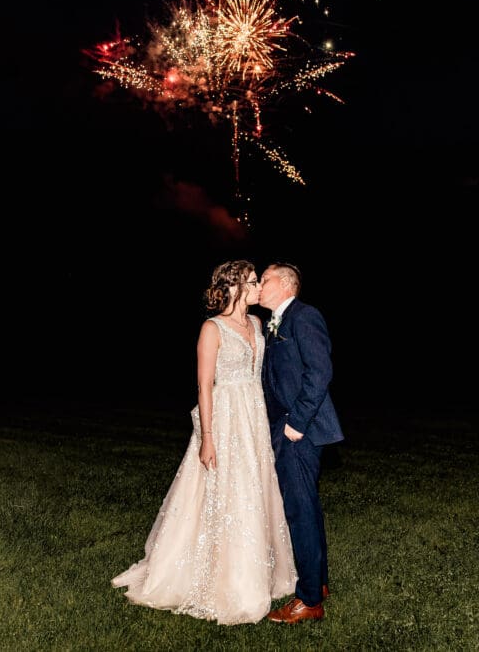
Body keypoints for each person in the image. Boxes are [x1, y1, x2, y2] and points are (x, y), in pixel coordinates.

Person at [111, 260, 297, 625]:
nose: (259, 285)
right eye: (254, 280)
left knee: (255, 490)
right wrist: (207, 438)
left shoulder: (258, 324)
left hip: (253, 417)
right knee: (228, 492)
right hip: (225, 420)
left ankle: (259, 572)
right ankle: (227, 581)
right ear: (236, 287)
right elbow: (204, 386)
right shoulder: (211, 329)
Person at [259, 262, 344, 624]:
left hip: (299, 430)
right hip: (286, 426)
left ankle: (308, 600)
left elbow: (320, 371)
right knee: (306, 507)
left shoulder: (304, 316)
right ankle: (318, 583)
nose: (259, 285)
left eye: (264, 280)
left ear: (285, 285)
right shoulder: (273, 322)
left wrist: (296, 422)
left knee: (299, 511)